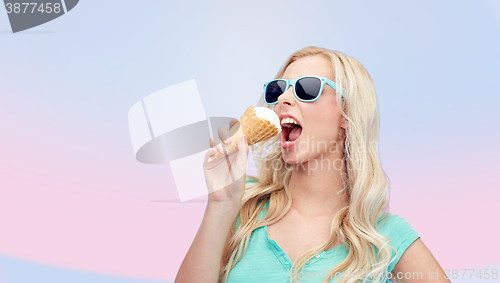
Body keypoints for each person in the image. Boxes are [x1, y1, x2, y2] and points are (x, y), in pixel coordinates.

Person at [175, 46, 450, 283]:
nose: (283, 99)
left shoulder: (385, 236)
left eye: (307, 88)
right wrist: (221, 203)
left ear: (347, 113)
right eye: (277, 90)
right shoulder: (242, 209)